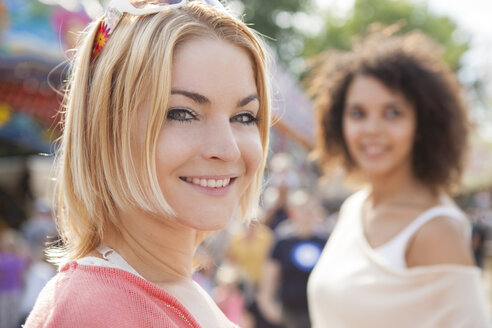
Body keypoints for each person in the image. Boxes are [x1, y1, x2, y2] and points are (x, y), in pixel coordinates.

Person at [24, 0, 271, 327]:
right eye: (182, 113)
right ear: (107, 128)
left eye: (244, 116)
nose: (227, 149)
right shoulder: (95, 309)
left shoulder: (174, 288)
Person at [306, 31, 491, 327]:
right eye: (358, 113)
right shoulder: (355, 208)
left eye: (393, 113)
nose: (372, 129)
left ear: (422, 124)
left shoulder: (436, 230)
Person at [258, 189, 328, 328]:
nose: (307, 214)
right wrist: (272, 310)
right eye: (303, 209)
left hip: (319, 314)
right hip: (290, 315)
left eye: (311, 209)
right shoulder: (283, 243)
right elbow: (269, 281)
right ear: (292, 212)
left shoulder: (325, 242)